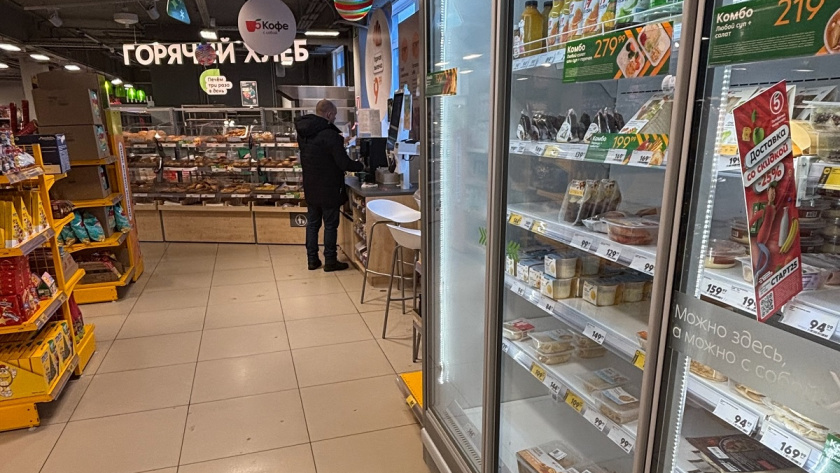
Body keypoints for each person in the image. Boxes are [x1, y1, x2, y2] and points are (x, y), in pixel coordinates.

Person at [295, 99, 364, 271]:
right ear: (328, 114)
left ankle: (312, 260)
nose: (335, 118)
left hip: (311, 186)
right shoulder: (330, 135)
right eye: (334, 115)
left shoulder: (303, 133)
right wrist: (361, 166)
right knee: (330, 225)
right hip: (329, 187)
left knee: (313, 224)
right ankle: (330, 261)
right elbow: (343, 163)